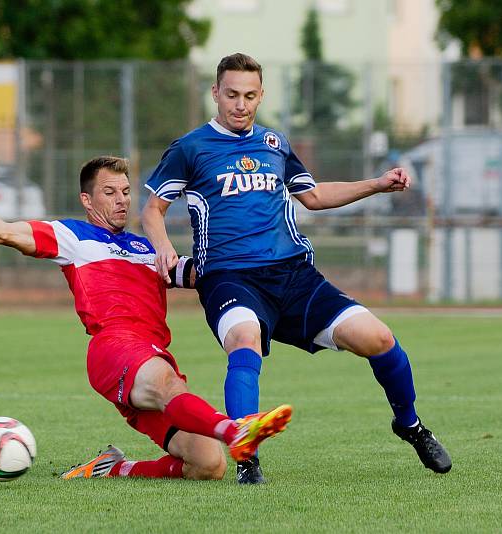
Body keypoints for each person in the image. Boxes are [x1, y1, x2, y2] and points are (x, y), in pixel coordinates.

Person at [142, 53, 451, 484]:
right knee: (243, 339)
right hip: (230, 278)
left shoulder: (274, 144)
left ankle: (410, 425)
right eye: (231, 94)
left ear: (261, 95)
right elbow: (153, 209)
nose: (240, 104)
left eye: (250, 96)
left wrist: (377, 184)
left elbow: (315, 196)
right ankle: (247, 457)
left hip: (295, 277)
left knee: (379, 338)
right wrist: (163, 247)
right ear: (215, 93)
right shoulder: (191, 148)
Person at [0, 146, 291, 481]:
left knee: (208, 464)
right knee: (169, 386)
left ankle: (114, 468)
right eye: (110, 192)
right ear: (87, 199)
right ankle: (236, 432)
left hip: (150, 353)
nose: (121, 200)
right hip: (115, 347)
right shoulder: (72, 236)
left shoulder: (148, 249)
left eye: (126, 192)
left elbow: (204, 274)